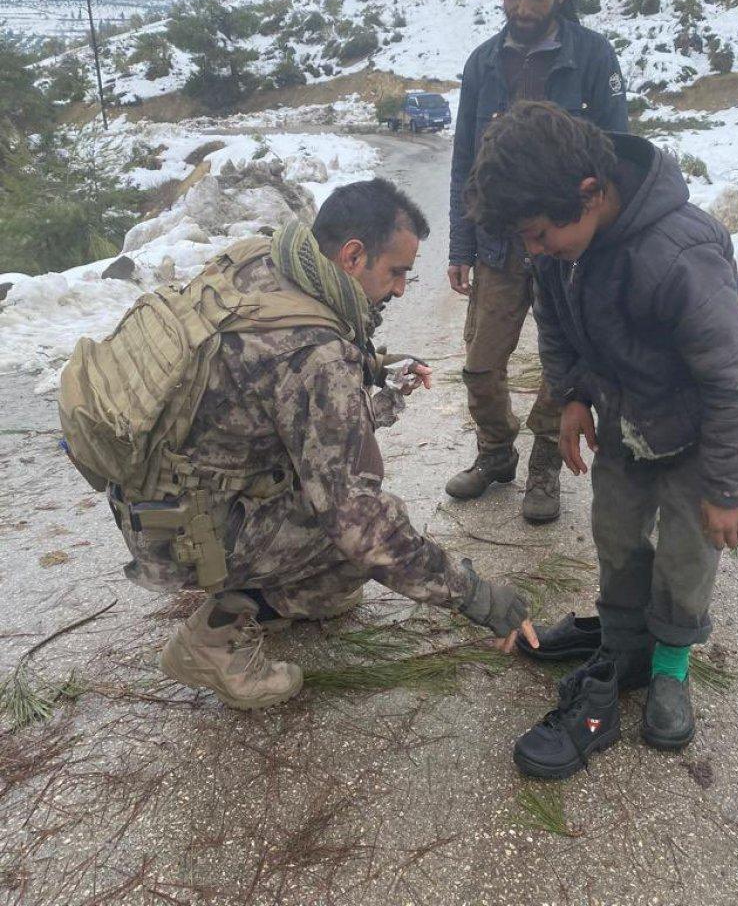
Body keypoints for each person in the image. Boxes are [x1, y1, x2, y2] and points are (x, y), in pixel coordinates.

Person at [59, 178, 537, 711]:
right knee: (358, 542)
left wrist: (372, 367)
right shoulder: (316, 356)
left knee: (345, 539)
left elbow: (255, 367)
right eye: (397, 271)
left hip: (152, 497)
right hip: (184, 533)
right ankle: (212, 641)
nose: (402, 288)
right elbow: (361, 522)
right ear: (353, 255)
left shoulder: (263, 258)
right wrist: (476, 596)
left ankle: (292, 588)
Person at [465, 102, 738, 775]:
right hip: (621, 425)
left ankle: (668, 666)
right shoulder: (560, 250)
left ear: (591, 192)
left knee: (684, 557)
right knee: (615, 536)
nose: (534, 250)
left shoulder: (679, 253)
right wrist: (575, 393)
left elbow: (735, 381)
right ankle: (619, 643)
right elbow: (556, 327)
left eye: (539, 234)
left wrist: (728, 489)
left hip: (696, 441)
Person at [447, 0, 629, 523]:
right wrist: (460, 245)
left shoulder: (595, 58)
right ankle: (495, 453)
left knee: (562, 366)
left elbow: (615, 156)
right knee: (480, 364)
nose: (523, 6)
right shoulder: (482, 62)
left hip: (565, 245)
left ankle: (545, 469)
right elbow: (463, 164)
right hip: (499, 246)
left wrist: (602, 245)